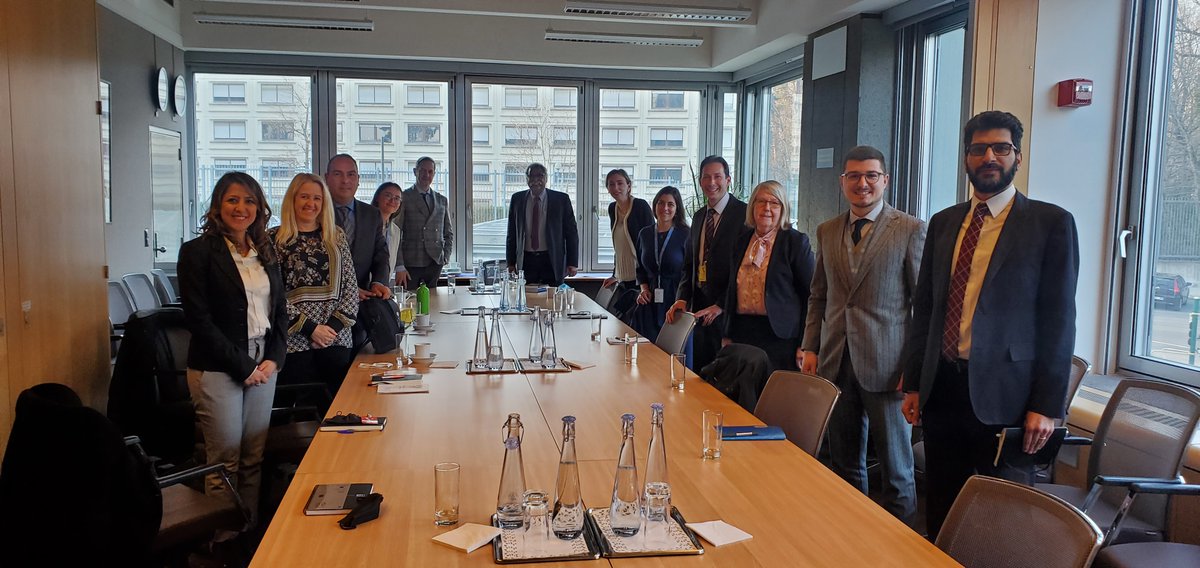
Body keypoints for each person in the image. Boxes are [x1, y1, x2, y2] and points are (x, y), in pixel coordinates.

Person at [901, 110, 1079, 538]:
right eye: (979, 149)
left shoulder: (1050, 223)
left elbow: (1060, 320)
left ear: (1017, 156)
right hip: (943, 389)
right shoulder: (944, 222)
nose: (989, 157)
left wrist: (1047, 405)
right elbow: (924, 308)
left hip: (1009, 398)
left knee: (1003, 520)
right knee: (943, 507)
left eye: (1001, 148)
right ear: (966, 158)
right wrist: (913, 382)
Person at [800, 145, 924, 526]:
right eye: (853, 176)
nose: (862, 183)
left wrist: (914, 369)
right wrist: (809, 346)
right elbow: (818, 295)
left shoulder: (909, 229)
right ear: (842, 183)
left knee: (896, 470)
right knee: (845, 464)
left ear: (885, 180)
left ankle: (902, 552)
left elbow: (923, 305)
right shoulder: (827, 230)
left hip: (889, 368)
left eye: (871, 175)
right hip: (836, 362)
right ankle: (851, 540)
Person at [177, 171, 287, 530]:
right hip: (217, 366)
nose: (241, 208)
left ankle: (249, 529)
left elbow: (279, 311)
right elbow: (199, 321)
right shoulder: (197, 252)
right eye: (233, 200)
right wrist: (244, 366)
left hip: (263, 363)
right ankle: (222, 538)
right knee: (225, 461)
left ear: (259, 207)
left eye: (249, 201)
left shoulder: (265, 252)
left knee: (254, 456)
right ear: (218, 206)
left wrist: (274, 358)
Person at [270, 173, 359, 397]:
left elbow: (350, 288)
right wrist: (311, 329)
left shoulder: (335, 236)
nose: (311, 204)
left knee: (339, 407)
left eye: (317, 198)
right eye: (304, 197)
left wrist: (329, 331)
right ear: (292, 199)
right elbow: (273, 294)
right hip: (294, 339)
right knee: (301, 410)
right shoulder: (273, 240)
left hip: (336, 337)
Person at [720, 180, 814, 373]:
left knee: (774, 397)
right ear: (752, 207)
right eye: (761, 202)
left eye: (774, 203)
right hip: (743, 332)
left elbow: (810, 297)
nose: (767, 208)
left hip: (780, 337)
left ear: (783, 208)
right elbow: (732, 290)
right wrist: (727, 332)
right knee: (743, 396)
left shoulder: (795, 242)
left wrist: (805, 344)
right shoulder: (741, 241)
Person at [666, 155, 747, 371]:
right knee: (702, 371)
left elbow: (745, 271)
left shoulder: (744, 215)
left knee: (725, 378)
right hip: (700, 310)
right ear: (700, 181)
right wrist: (682, 298)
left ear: (728, 180)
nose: (712, 183)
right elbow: (689, 265)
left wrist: (721, 305)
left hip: (728, 312)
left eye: (717, 177)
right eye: (706, 177)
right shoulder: (700, 216)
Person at [325, 153, 392, 350]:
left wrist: (379, 282)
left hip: (362, 311)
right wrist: (347, 291)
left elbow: (381, 253)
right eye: (338, 174)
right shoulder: (316, 213)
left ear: (358, 180)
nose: (345, 180)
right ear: (326, 177)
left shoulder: (372, 214)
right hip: (326, 315)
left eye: (351, 174)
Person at [505, 163, 579, 286]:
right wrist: (510, 263)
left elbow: (571, 233)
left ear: (546, 178)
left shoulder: (561, 200)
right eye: (531, 176)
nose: (535, 180)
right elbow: (512, 233)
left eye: (540, 176)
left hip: (552, 260)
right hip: (526, 260)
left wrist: (573, 262)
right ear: (526, 179)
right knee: (526, 300)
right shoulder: (517, 199)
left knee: (553, 299)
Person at [632, 185, 690, 343]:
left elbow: (690, 272)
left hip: (675, 301)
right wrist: (643, 289)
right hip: (649, 302)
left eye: (670, 204)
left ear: (677, 208)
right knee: (645, 353)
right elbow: (640, 269)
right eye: (661, 203)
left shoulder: (686, 234)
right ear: (655, 205)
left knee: (671, 351)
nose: (665, 208)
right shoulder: (644, 234)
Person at [395, 157, 454, 290]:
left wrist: (446, 256)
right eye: (422, 170)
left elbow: (448, 233)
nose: (426, 175)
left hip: (435, 262)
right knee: (410, 303)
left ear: (434, 173)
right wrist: (399, 265)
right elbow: (395, 232)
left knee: (434, 302)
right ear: (415, 171)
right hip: (411, 262)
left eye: (430, 171)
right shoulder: (404, 197)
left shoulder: (441, 200)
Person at [603, 168, 654, 315]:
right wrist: (614, 273)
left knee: (632, 324)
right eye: (611, 184)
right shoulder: (612, 208)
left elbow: (649, 245)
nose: (616, 188)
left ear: (629, 186)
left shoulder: (640, 206)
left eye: (620, 183)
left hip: (640, 279)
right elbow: (618, 246)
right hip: (622, 279)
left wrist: (646, 280)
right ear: (607, 188)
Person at [370, 181, 403, 286]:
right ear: (377, 197)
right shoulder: (365, 225)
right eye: (388, 195)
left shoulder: (396, 230)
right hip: (363, 286)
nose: (393, 200)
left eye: (397, 198)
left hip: (383, 286)